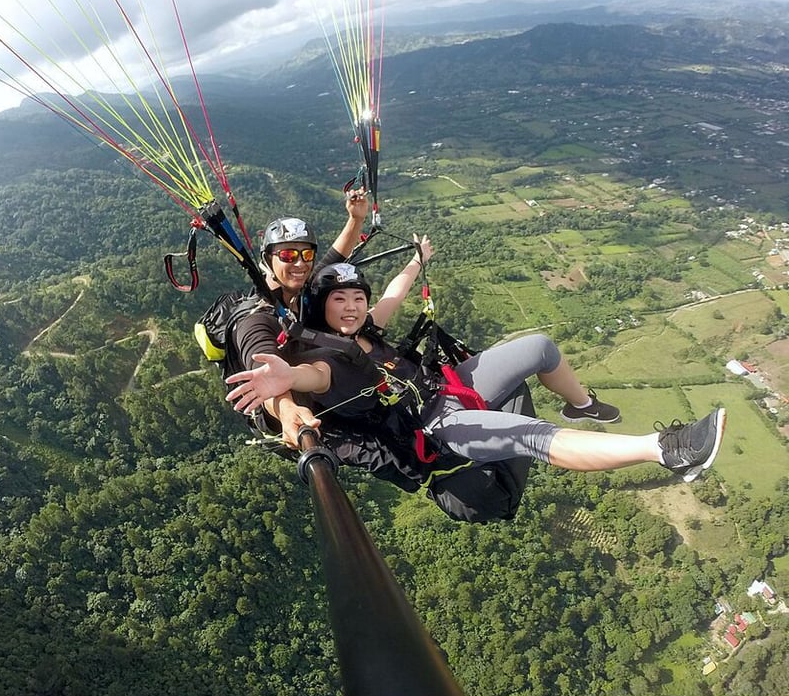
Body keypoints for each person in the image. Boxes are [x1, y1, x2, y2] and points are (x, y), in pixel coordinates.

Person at [226, 251, 725, 483]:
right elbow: (317, 378)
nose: (353, 307)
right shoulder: (325, 354)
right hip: (434, 423)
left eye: (358, 298)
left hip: (446, 386)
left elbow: (395, 294)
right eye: (341, 300)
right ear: (322, 307)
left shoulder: (364, 328)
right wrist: (285, 382)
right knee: (529, 433)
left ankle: (583, 404)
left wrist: (417, 260)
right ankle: (666, 451)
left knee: (541, 348)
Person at [226, 190, 369, 434]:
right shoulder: (256, 318)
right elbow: (264, 369)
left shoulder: (299, 289)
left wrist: (356, 219)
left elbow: (337, 255)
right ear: (268, 260)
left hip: (304, 372)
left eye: (307, 254)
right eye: (288, 255)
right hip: (281, 403)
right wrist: (288, 411)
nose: (300, 263)